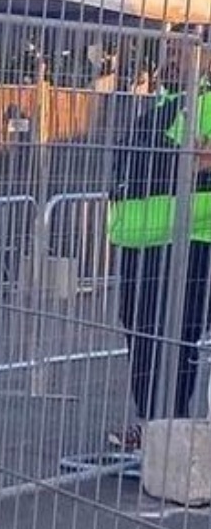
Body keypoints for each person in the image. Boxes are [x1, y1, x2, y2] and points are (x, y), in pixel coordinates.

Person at [108, 31, 211, 448]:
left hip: (181, 236)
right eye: (170, 48)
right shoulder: (162, 101)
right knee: (140, 331)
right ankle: (152, 425)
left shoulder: (205, 102)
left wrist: (194, 160)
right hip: (137, 235)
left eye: (183, 49)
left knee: (174, 335)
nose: (172, 56)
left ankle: (171, 432)